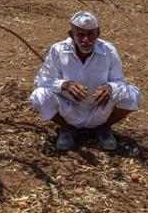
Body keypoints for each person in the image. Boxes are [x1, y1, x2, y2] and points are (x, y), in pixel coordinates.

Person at [30, 11, 141, 151]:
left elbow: (119, 80)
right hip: (69, 109)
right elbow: (40, 81)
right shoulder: (58, 50)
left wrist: (110, 87)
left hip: (99, 109)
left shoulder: (108, 50)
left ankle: (104, 128)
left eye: (90, 34)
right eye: (81, 35)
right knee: (39, 96)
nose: (86, 40)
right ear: (71, 34)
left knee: (132, 94)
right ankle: (67, 128)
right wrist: (64, 85)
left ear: (98, 33)